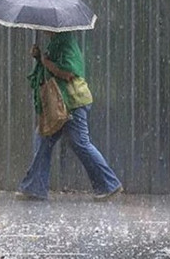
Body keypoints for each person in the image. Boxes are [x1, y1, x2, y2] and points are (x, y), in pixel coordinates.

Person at [17, 31, 123, 201]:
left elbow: (69, 73)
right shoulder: (56, 42)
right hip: (61, 104)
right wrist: (39, 58)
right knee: (44, 139)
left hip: (72, 102)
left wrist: (46, 62)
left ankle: (109, 185)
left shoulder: (65, 43)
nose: (44, 30)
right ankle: (34, 188)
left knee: (80, 143)